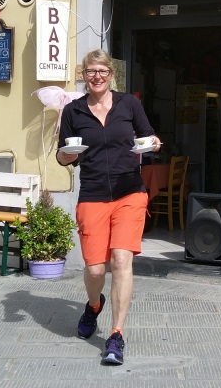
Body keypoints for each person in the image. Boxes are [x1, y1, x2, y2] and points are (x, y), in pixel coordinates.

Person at [56, 49, 160, 366]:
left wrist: (153, 143)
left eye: (102, 71)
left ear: (111, 75)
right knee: (95, 269)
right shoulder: (73, 111)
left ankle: (116, 335)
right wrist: (67, 155)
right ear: (84, 76)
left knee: (121, 260)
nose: (97, 76)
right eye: (91, 71)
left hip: (130, 192)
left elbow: (149, 136)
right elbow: (61, 155)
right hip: (93, 193)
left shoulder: (128, 104)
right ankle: (93, 305)